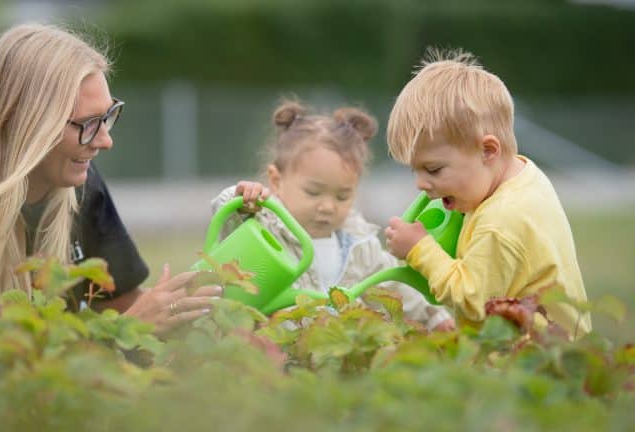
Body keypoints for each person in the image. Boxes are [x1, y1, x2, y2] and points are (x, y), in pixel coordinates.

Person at [0, 23, 220, 344]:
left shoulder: (81, 186)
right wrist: (129, 329)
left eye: (107, 117)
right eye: (87, 124)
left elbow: (122, 304)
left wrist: (216, 271)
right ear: (27, 124)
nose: (105, 140)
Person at [382, 48, 591, 338]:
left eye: (433, 169)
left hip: (536, 354)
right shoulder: (523, 177)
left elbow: (472, 300)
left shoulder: (500, 222)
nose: (420, 184)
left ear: (488, 151)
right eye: (414, 170)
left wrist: (419, 249)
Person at [212, 99, 454, 332]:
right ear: (276, 180)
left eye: (342, 196)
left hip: (335, 348)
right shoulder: (265, 226)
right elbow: (226, 221)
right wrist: (242, 200)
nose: (328, 206)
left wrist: (434, 318)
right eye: (313, 192)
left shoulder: (359, 243)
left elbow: (393, 286)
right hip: (276, 348)